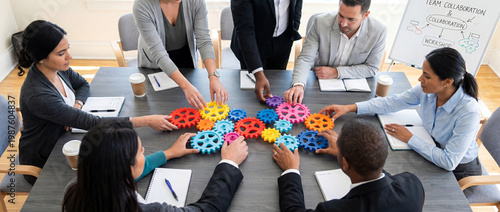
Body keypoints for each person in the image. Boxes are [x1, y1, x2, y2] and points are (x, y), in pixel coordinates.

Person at [18, 20, 177, 184]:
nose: (69, 56)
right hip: (45, 159)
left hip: (67, 138)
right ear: (41, 58)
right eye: (61, 53)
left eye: (68, 49)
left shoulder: (57, 69)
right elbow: (93, 123)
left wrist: (76, 106)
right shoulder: (38, 95)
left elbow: (82, 85)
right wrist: (147, 120)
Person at [320, 47, 481, 181]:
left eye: (427, 76)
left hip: (459, 172)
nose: (419, 79)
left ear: (447, 82)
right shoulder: (427, 91)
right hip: (431, 148)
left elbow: (449, 161)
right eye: (422, 72)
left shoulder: (469, 112)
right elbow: (392, 102)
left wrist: (409, 138)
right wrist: (350, 107)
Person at [63, 120, 248, 212]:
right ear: (125, 170)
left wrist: (168, 153)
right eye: (141, 152)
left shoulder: (75, 189)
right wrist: (229, 163)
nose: (144, 150)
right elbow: (207, 209)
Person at [273, 118, 425, 211]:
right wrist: (352, 154)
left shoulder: (337, 209)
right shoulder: (413, 185)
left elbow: (293, 210)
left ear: (344, 164)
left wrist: (291, 170)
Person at [284, 0, 386, 105]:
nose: (343, 23)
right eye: (341, 15)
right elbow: (306, 58)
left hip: (355, 90)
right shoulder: (320, 22)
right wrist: (298, 85)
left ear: (365, 15)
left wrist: (336, 72)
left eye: (351, 19)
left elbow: (372, 67)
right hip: (319, 84)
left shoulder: (378, 31)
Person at [133, 0, 228, 110]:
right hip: (155, 66)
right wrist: (186, 86)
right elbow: (158, 53)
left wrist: (213, 76)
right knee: (161, 109)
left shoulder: (196, 1)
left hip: (186, 59)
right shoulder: (142, 5)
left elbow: (204, 40)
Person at [231, 0, 303, 102]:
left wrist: (293, 28)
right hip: (253, 44)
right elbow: (245, 30)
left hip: (283, 42)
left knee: (277, 90)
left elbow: (297, 5)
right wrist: (257, 73)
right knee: (252, 94)